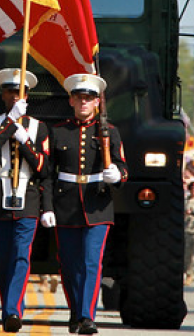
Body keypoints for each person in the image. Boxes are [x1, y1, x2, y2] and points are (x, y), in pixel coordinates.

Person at [46, 73, 128, 335]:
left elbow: (122, 165)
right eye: (79, 98)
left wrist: (118, 175)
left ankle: (86, 316)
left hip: (97, 204)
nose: (84, 102)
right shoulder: (59, 132)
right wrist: (47, 206)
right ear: (71, 100)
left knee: (91, 261)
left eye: (89, 98)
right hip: (66, 203)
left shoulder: (109, 132)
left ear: (96, 103)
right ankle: (75, 311)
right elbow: (48, 174)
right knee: (69, 264)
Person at [0, 68, 50, 333]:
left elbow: (43, 167)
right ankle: (10, 306)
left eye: (19, 92)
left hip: (27, 197)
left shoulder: (39, 127)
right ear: (3, 94)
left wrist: (26, 141)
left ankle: (11, 311)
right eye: (10, 91)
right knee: (1, 258)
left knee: (21, 255)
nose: (14, 96)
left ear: (27, 97)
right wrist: (9, 123)